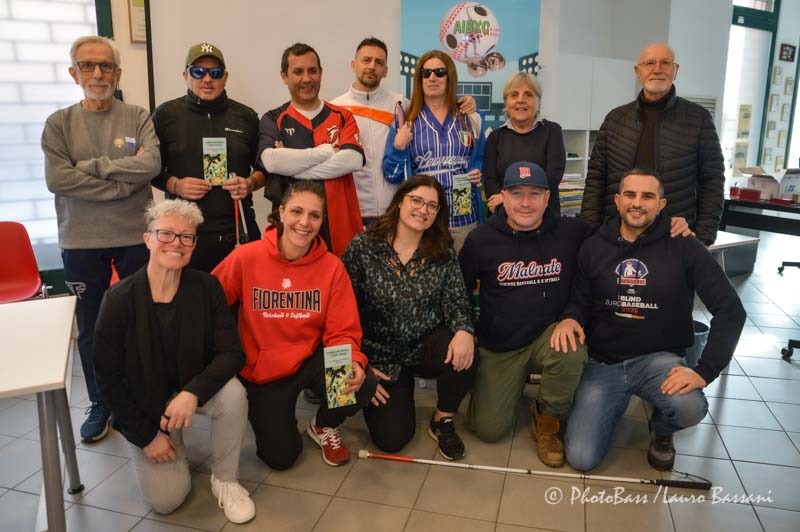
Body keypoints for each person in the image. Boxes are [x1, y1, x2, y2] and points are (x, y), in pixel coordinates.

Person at [556, 169, 746, 472]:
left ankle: (662, 429)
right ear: (617, 201)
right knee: (581, 458)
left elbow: (731, 310)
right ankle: (610, 407)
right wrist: (569, 318)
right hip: (603, 363)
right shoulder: (594, 246)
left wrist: (705, 371)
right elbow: (579, 301)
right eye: (630, 194)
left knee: (690, 407)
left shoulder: (684, 245)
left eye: (647, 196)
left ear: (661, 204)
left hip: (658, 360)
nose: (637, 203)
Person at [93, 200, 255, 523]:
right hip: (147, 407)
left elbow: (232, 353)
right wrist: (146, 437)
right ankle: (168, 446)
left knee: (234, 394)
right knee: (167, 500)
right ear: (148, 239)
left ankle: (225, 479)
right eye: (166, 233)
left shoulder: (207, 288)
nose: (176, 243)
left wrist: (192, 392)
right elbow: (107, 380)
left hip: (189, 390)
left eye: (186, 237)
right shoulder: (119, 300)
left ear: (194, 245)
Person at [41, 35, 161, 443]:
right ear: (74, 73)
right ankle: (101, 402)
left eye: (106, 66)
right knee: (91, 328)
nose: (97, 74)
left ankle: (143, 396)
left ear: (118, 73)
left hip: (135, 237)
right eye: (88, 66)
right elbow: (59, 178)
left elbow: (151, 164)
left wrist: (91, 167)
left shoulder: (138, 117)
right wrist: (121, 183)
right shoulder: (59, 124)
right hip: (81, 242)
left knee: (142, 321)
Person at [212, 181, 377, 469]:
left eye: (314, 215)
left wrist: (353, 360)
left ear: (322, 221)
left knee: (361, 382)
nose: (304, 223)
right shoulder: (246, 257)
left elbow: (342, 329)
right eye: (297, 212)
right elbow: (208, 305)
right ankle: (269, 415)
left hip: (308, 359)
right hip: (262, 370)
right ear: (281, 212)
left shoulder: (331, 267)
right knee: (281, 458)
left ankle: (323, 425)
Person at [459, 162, 589, 467]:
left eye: (535, 194)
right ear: (502, 196)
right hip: (501, 344)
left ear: (548, 198)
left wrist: (670, 225)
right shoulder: (481, 239)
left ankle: (548, 418)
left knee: (571, 348)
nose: (526, 203)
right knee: (488, 430)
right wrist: (466, 329)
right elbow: (458, 290)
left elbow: (620, 236)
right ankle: (500, 388)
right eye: (517, 193)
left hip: (548, 335)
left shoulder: (572, 232)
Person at [343, 175, 476, 460]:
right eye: (416, 200)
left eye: (432, 205)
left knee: (466, 348)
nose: (423, 209)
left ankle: (443, 419)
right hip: (380, 356)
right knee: (392, 440)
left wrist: (464, 331)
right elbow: (340, 311)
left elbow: (456, 300)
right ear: (400, 201)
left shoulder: (442, 250)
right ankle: (386, 395)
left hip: (425, 345)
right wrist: (359, 364)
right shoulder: (363, 247)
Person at [579, 42, 725, 245]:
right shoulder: (615, 119)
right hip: (617, 236)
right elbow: (596, 179)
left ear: (675, 70)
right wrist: (589, 233)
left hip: (673, 236)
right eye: (649, 63)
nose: (657, 69)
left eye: (665, 63)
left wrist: (702, 238)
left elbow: (713, 182)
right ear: (638, 71)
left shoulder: (698, 119)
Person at [332, 37, 478, 227]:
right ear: (353, 65)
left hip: (404, 210)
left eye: (379, 62)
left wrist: (468, 104)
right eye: (366, 60)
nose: (372, 66)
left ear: (386, 70)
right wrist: (398, 147)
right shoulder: (336, 109)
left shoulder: (400, 104)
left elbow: (477, 160)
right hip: (355, 207)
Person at [151, 42, 265, 272]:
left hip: (237, 231)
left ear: (225, 77)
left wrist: (250, 183)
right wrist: (175, 185)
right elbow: (151, 170)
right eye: (198, 72)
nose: (207, 79)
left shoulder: (246, 116)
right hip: (183, 236)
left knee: (240, 295)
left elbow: (265, 168)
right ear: (185, 76)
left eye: (215, 73)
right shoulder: (165, 115)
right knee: (187, 295)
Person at [258, 42, 364, 256]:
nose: (307, 79)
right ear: (284, 76)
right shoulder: (273, 118)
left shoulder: (343, 116)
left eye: (312, 71)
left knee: (339, 276)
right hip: (293, 229)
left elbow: (353, 160)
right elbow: (271, 161)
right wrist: (326, 151)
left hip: (340, 227)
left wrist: (292, 167)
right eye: (298, 72)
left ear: (320, 73)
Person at [383, 49, 486, 252]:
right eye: (426, 73)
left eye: (439, 72)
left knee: (464, 271)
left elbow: (480, 159)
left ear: (450, 77)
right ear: (419, 79)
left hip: (463, 216)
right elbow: (391, 174)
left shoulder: (470, 117)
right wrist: (398, 147)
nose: (432, 78)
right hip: (423, 221)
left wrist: (476, 170)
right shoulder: (406, 121)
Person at [483, 72, 566, 216]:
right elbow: (490, 181)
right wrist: (506, 203)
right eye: (514, 95)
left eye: (528, 95)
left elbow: (552, 177)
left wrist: (509, 199)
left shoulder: (552, 131)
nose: (520, 100)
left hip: (543, 215)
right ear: (506, 103)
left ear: (538, 102)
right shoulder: (495, 137)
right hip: (503, 215)